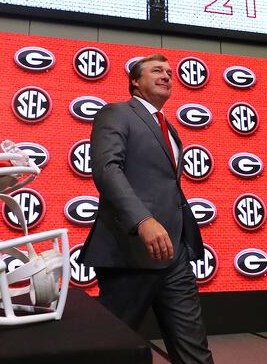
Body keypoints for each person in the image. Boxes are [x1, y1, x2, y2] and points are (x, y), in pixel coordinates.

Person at [81, 54, 213, 363]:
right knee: (110, 349)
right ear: (135, 81)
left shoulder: (169, 127)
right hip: (131, 252)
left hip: (175, 253)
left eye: (170, 72)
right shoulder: (116, 113)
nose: (167, 75)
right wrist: (143, 220)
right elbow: (107, 170)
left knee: (194, 349)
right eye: (157, 70)